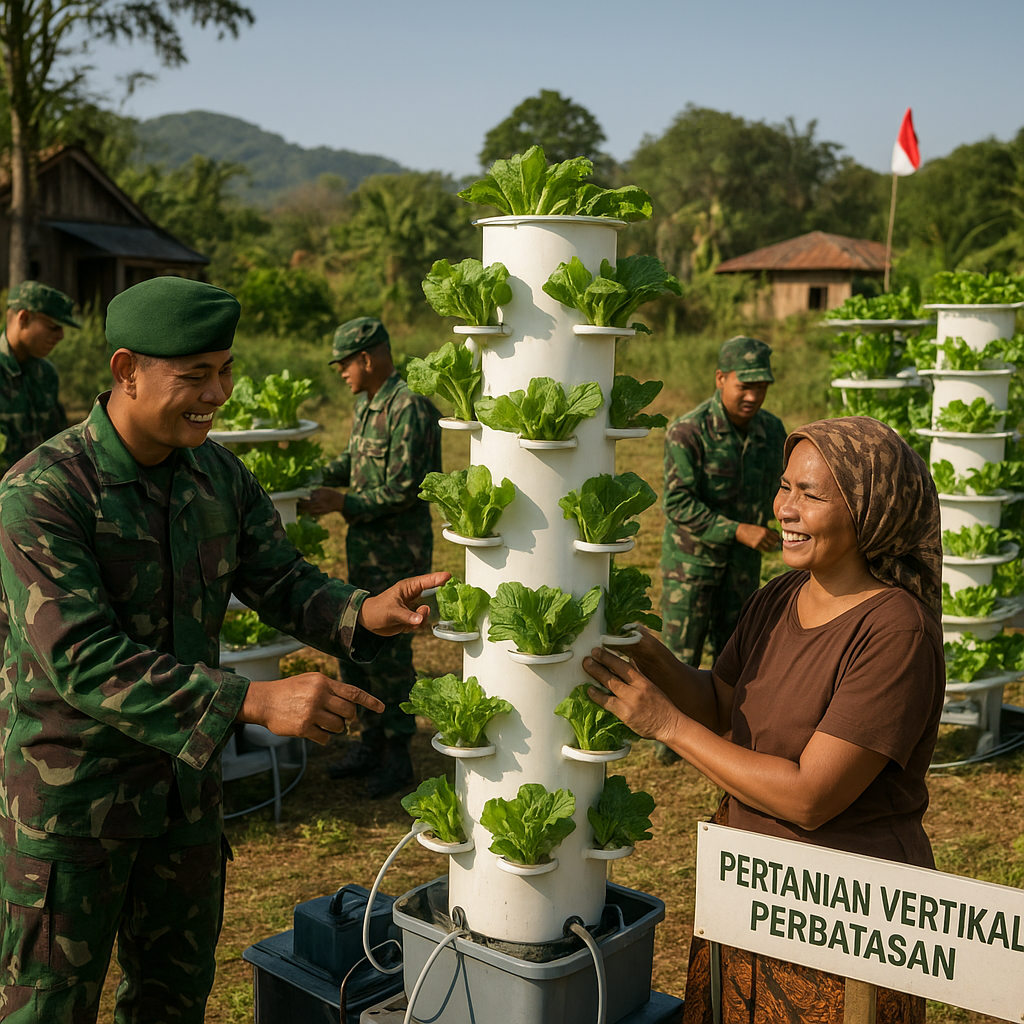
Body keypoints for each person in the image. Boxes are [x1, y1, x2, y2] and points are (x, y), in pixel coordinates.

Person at [0, 278, 447, 1024]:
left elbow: (281, 579)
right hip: (75, 806)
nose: (219, 394)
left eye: (226, 370)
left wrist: (364, 612)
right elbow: (81, 656)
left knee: (172, 1001)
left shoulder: (218, 475)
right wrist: (252, 700)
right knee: (48, 1009)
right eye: (196, 375)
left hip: (184, 797)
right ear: (126, 370)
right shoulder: (43, 491)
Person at [584, 416, 945, 1024]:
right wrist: (646, 651)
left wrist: (666, 727)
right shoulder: (779, 596)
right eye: (784, 487)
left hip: (840, 918)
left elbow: (810, 797)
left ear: (869, 512)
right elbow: (721, 705)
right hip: (751, 891)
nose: (786, 509)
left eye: (811, 495)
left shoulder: (894, 630)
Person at [298, 317, 442, 798]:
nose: (341, 373)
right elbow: (353, 462)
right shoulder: (367, 404)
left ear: (366, 357)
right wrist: (310, 478)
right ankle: (370, 742)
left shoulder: (409, 407)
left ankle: (398, 755)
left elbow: (404, 489)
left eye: (344, 364)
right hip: (364, 551)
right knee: (357, 640)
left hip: (398, 555)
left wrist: (341, 502)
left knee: (393, 654)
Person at [658, 335, 786, 763]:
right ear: (720, 379)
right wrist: (737, 530)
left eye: (761, 387)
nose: (753, 396)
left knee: (737, 654)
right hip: (692, 565)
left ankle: (729, 738)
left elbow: (782, 487)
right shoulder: (688, 431)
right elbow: (677, 503)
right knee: (681, 653)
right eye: (743, 386)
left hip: (743, 566)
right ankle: (669, 741)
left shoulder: (772, 431)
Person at [0, 280, 79, 468]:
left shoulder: (46, 374)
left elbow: (56, 441)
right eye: (53, 327)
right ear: (24, 318)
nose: (61, 336)